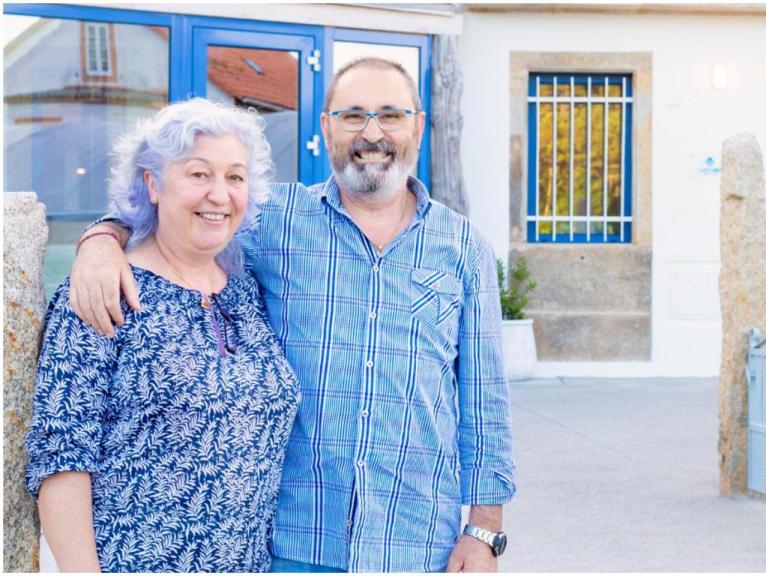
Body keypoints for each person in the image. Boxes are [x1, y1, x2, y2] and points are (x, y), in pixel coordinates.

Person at [70, 58, 516, 572]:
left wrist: (483, 532)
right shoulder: (274, 221)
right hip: (293, 545)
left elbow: (484, 400)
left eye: (391, 115)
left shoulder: (464, 248)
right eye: (353, 115)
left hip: (416, 546)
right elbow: (187, 214)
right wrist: (104, 237)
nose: (372, 134)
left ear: (417, 126)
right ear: (326, 127)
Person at [25, 98, 301, 572]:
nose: (219, 195)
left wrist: (101, 235)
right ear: (152, 183)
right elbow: (62, 458)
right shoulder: (102, 290)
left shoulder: (247, 289)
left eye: (235, 177)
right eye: (199, 174)